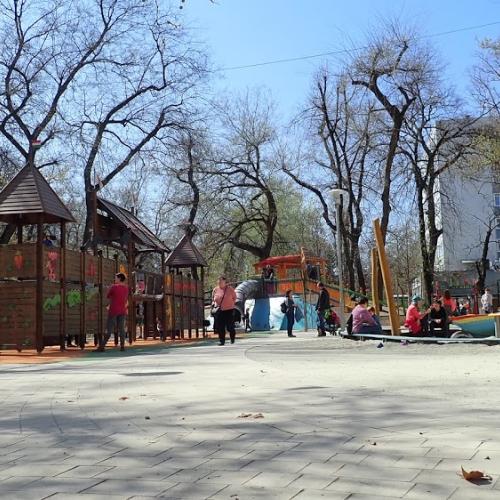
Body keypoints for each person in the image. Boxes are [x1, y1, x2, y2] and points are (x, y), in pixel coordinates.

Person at [97, 272, 129, 352]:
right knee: (121, 329)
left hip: (113, 310)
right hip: (122, 310)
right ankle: (122, 346)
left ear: (119, 278)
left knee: (109, 329)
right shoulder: (126, 288)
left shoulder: (114, 287)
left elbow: (108, 295)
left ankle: (102, 346)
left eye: (116, 278)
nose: (115, 279)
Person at [212, 276, 237, 345]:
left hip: (229, 310)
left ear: (225, 282)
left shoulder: (230, 289)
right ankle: (222, 341)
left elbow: (234, 298)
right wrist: (214, 304)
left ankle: (232, 338)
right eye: (218, 280)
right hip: (219, 310)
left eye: (221, 280)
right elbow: (213, 299)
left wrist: (230, 304)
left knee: (230, 326)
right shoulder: (215, 290)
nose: (219, 282)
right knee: (220, 326)